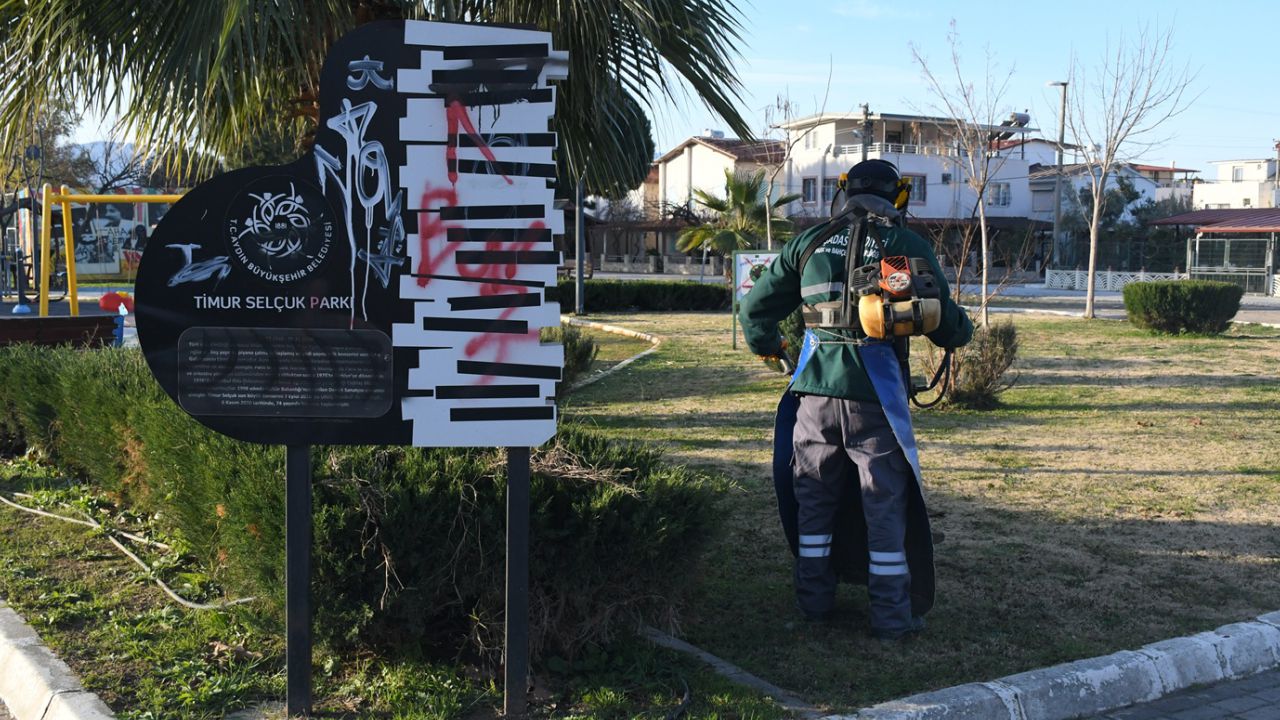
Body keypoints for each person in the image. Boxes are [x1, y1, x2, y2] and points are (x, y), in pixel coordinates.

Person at [739, 159, 972, 640]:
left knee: (814, 501)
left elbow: (755, 309)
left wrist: (773, 350)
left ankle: (814, 603)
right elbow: (948, 323)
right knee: (883, 505)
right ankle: (891, 617)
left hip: (813, 396)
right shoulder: (902, 246)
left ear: (843, 192)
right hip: (876, 397)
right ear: (897, 196)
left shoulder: (811, 242)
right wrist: (960, 330)